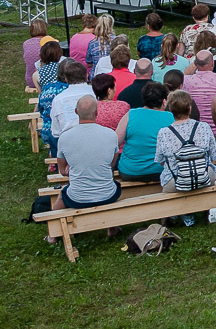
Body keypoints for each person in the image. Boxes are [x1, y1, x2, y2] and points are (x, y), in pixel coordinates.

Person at [48, 97, 121, 239]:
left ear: (76, 112)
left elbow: (62, 171)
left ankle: (53, 235)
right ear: (97, 113)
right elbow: (111, 165)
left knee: (62, 196)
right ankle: (111, 228)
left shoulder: (65, 137)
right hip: (108, 194)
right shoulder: (111, 135)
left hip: (78, 197)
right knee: (113, 184)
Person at [152, 90, 216, 191]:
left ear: (171, 110)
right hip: (204, 176)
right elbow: (215, 156)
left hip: (175, 180)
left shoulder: (164, 133)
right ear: (189, 109)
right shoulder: (204, 127)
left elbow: (160, 160)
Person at [116, 81, 172, 182]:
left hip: (131, 170)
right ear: (164, 101)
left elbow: (116, 142)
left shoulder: (130, 115)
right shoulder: (171, 118)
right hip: (161, 170)